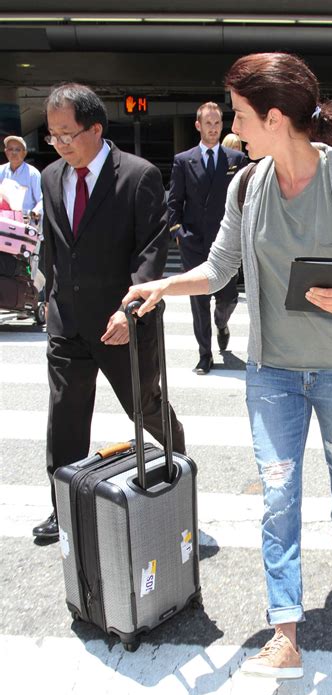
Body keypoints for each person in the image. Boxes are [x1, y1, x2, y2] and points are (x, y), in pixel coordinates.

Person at [123, 52, 332, 680]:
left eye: (241, 115)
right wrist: (162, 288)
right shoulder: (245, 184)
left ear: (275, 117)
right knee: (277, 493)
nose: (233, 128)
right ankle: (286, 630)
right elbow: (220, 267)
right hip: (272, 370)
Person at [32, 83, 185, 541]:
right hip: (67, 319)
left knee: (146, 406)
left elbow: (151, 252)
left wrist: (131, 309)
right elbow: (55, 244)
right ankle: (64, 508)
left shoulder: (137, 176)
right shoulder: (50, 176)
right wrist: (45, 293)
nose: (59, 144)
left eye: (67, 134)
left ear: (95, 128)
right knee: (65, 414)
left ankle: (179, 479)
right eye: (53, 136)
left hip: (123, 320)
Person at [168, 102, 247, 374]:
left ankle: (221, 323)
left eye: (217, 123)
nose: (213, 128)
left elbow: (244, 200)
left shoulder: (236, 160)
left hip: (225, 243)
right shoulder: (183, 160)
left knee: (227, 298)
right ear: (198, 125)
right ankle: (205, 354)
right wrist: (177, 232)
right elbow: (174, 201)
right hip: (194, 242)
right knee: (198, 301)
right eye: (208, 123)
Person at [0, 135, 43, 216]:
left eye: (17, 150)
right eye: (10, 149)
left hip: (26, 221)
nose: (13, 153)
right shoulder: (1, 171)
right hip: (4, 221)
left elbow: (40, 200)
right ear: (6, 152)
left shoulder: (32, 173)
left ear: (24, 153)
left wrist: (34, 214)